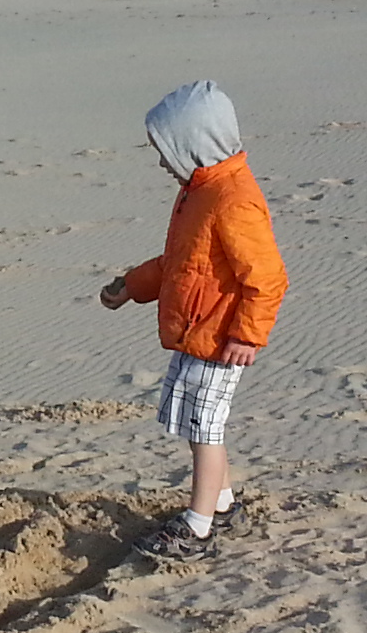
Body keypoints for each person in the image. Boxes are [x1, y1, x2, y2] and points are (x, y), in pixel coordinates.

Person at [97, 80, 287, 561]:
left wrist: (247, 334)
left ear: (194, 146)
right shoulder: (197, 194)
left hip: (221, 338)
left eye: (167, 151)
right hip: (196, 334)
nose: (162, 162)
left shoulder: (233, 200)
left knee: (206, 430)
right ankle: (220, 505)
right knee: (193, 422)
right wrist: (131, 285)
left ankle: (198, 526)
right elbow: (177, 264)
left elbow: (268, 277)